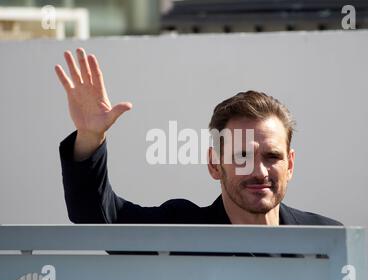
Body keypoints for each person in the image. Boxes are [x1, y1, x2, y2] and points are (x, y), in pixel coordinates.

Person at [56, 48, 341, 227]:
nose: (259, 171)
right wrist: (90, 136)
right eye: (242, 156)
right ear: (214, 164)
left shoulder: (328, 240)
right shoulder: (182, 232)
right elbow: (96, 217)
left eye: (272, 156)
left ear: (290, 165)